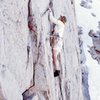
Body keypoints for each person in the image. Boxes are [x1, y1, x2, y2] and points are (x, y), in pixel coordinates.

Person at [49, 9, 67, 77]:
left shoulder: (60, 23)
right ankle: (57, 70)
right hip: (59, 42)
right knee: (55, 56)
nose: (59, 17)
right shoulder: (62, 26)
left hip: (57, 41)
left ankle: (57, 71)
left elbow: (51, 19)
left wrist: (50, 11)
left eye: (60, 17)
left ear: (61, 19)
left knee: (54, 56)